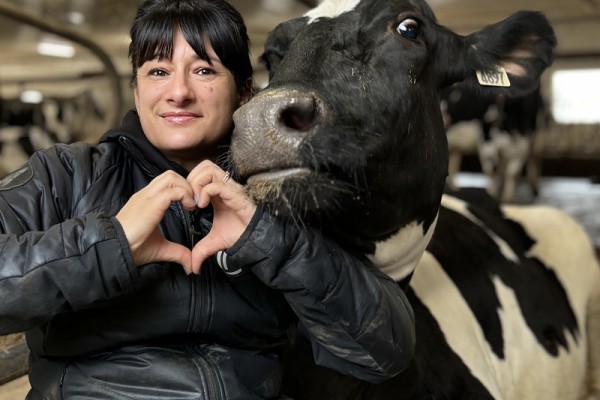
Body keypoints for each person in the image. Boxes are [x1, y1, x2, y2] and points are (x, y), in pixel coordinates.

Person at [0, 0, 415, 398]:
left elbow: (384, 352)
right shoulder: (66, 175)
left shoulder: (279, 193)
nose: (178, 92)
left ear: (244, 92)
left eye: (203, 70)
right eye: (157, 71)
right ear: (136, 90)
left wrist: (270, 240)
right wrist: (112, 245)